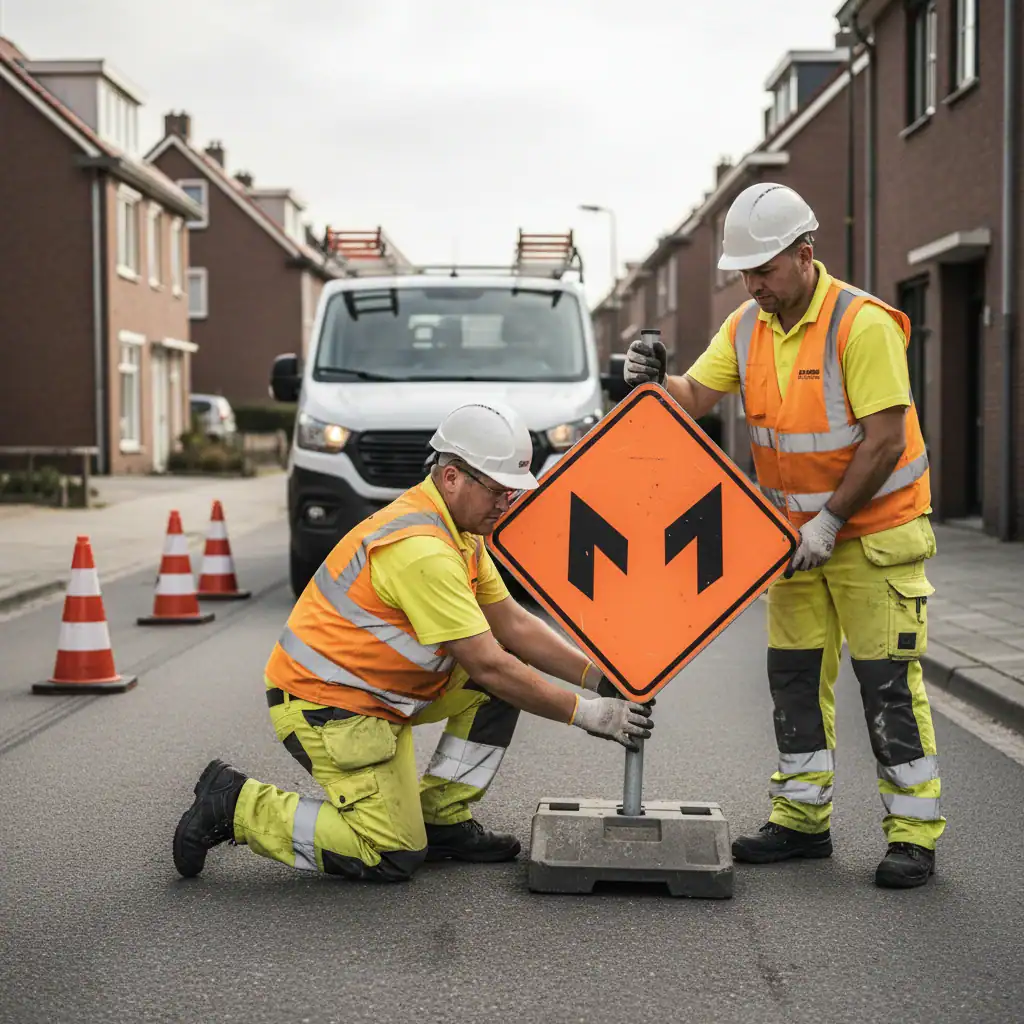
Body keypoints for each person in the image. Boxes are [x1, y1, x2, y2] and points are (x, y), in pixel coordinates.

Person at [172, 400, 653, 883]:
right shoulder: (422, 550)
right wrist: (586, 713)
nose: (507, 505)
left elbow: (513, 626)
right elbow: (486, 664)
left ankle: (442, 817)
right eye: (499, 491)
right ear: (451, 478)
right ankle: (236, 805)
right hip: (330, 709)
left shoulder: (457, 531)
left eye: (513, 492)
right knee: (389, 852)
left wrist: (599, 678)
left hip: (377, 696)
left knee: (506, 677)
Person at [623, 182, 942, 890]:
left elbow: (886, 442)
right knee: (794, 681)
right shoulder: (746, 327)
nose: (753, 285)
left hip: (876, 536)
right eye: (745, 273)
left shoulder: (861, 325)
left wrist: (830, 521)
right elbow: (695, 397)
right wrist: (653, 378)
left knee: (887, 686)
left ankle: (913, 835)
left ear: (805, 255)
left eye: (762, 271)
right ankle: (802, 820)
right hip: (794, 548)